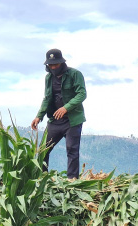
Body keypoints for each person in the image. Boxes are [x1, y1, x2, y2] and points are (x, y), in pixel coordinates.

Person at [31, 48, 87, 179]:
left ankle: (71, 180)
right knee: (43, 150)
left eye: (56, 64)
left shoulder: (75, 74)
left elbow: (82, 94)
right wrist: (39, 116)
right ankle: (42, 177)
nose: (53, 67)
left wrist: (66, 108)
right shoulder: (48, 78)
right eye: (50, 65)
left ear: (61, 63)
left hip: (72, 120)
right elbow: (47, 98)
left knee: (72, 150)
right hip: (55, 121)